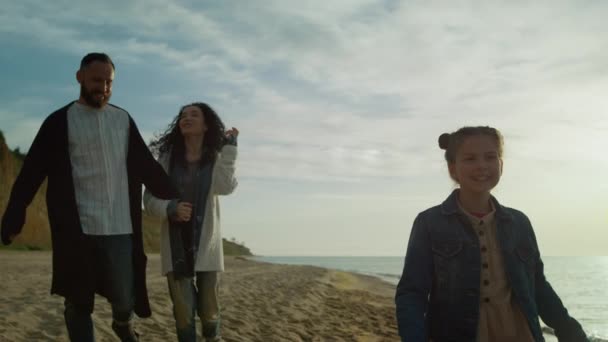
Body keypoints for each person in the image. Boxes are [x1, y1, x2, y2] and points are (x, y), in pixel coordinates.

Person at [1, 52, 177, 342]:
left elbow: (147, 166)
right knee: (77, 300)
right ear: (79, 77)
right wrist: (15, 211)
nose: (104, 88)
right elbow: (31, 171)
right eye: (97, 80)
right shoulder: (59, 122)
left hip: (120, 225)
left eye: (109, 83)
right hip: (76, 227)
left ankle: (122, 323)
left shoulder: (122, 119)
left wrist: (175, 195)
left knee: (124, 296)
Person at [394, 126, 588, 342]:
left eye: (490, 157)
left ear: (501, 164)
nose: (481, 166)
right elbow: (412, 294)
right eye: (470, 159)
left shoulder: (519, 223)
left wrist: (571, 332)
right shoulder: (429, 223)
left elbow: (539, 287)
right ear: (452, 169)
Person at [144, 102, 238, 342]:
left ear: (206, 125)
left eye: (194, 115)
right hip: (176, 247)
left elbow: (225, 187)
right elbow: (149, 199)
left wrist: (230, 150)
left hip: (207, 246)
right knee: (184, 312)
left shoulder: (214, 158)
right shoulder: (166, 160)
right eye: (183, 115)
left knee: (209, 310)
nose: (186, 118)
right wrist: (170, 208)